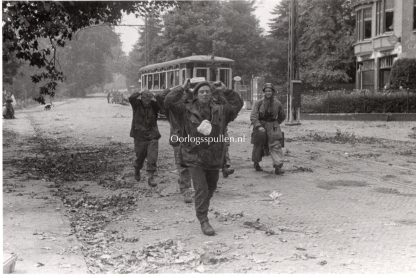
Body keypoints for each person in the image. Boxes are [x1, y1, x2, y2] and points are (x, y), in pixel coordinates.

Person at [164, 80, 243, 236]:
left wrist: (226, 90)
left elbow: (237, 105)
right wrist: (181, 88)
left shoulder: (220, 110)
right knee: (201, 188)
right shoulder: (186, 111)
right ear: (196, 94)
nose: (205, 94)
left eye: (207, 91)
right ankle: (203, 220)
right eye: (201, 91)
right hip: (194, 155)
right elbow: (168, 102)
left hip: (214, 156)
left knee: (211, 187)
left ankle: (202, 207)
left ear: (212, 94)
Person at [162, 87, 193, 203]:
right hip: (179, 139)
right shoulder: (175, 108)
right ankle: (186, 190)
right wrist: (181, 88)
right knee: (183, 166)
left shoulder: (195, 105)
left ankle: (188, 185)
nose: (185, 95)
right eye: (183, 94)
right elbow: (168, 100)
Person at [250, 83, 286, 175]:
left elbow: (282, 115)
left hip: (273, 126)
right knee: (258, 145)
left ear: (273, 92)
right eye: (266, 91)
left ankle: (278, 167)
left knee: (276, 145)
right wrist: (258, 126)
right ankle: (256, 163)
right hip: (260, 126)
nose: (268, 93)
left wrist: (276, 123)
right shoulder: (258, 103)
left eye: (270, 91)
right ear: (264, 92)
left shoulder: (278, 103)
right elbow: (253, 116)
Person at [129, 90, 162, 187]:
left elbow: (160, 101)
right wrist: (139, 92)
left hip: (152, 136)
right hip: (139, 136)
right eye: (144, 98)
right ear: (141, 98)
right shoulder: (136, 105)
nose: (146, 101)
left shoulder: (154, 106)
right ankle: (137, 169)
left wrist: (155, 96)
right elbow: (131, 98)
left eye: (148, 98)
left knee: (152, 157)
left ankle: (150, 177)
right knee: (140, 156)